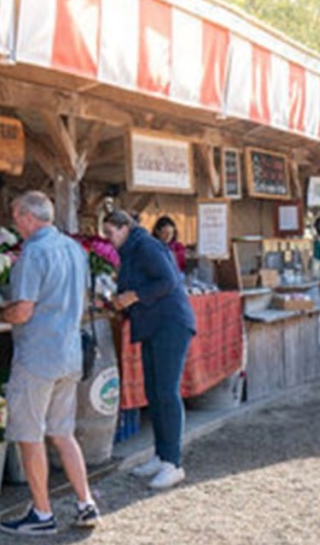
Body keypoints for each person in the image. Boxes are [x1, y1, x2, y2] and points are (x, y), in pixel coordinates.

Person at [0, 191, 100, 536]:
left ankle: (42, 514)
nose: (15, 225)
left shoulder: (34, 252)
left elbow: (23, 311)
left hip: (37, 356)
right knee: (62, 433)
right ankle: (85, 504)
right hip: (69, 352)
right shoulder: (74, 249)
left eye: (16, 217)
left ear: (26, 216)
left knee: (29, 434)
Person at [104, 210, 197, 490]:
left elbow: (167, 281)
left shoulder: (145, 246)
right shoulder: (133, 249)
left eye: (110, 233)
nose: (108, 240)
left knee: (166, 392)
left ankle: (173, 463)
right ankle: (161, 454)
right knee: (154, 391)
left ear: (124, 228)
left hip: (170, 323)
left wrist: (132, 296)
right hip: (153, 324)